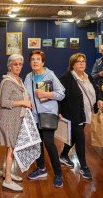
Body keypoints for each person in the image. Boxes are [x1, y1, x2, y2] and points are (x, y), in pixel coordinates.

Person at [59, 53, 103, 179]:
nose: (81, 63)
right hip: (73, 114)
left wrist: (100, 99)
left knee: (74, 136)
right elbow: (59, 96)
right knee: (80, 138)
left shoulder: (88, 76)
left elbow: (96, 89)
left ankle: (63, 155)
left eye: (83, 61)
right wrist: (59, 111)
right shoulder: (66, 79)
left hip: (86, 113)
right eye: (78, 61)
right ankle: (84, 167)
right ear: (73, 64)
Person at [24, 50, 65, 188]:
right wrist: (26, 100)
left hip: (48, 115)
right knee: (37, 143)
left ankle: (58, 174)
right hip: (33, 115)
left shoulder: (50, 75)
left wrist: (47, 94)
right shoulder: (28, 77)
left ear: (43, 62)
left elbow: (61, 94)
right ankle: (41, 169)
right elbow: (25, 93)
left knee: (49, 143)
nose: (35, 61)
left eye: (38, 59)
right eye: (32, 59)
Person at [0, 54, 32, 192]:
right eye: (15, 64)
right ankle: (7, 180)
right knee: (11, 148)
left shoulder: (18, 80)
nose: (18, 66)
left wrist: (26, 99)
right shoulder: (8, 81)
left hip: (16, 118)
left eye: (20, 64)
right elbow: (4, 102)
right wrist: (23, 102)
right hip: (8, 118)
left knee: (12, 148)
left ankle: (9, 174)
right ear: (9, 66)